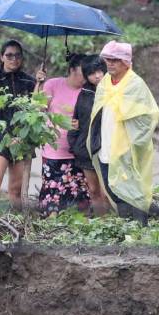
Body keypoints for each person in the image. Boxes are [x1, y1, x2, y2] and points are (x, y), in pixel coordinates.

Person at [88, 41, 159, 224]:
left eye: (115, 60)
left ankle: (140, 227)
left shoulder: (135, 85)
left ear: (126, 62)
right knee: (113, 189)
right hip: (106, 146)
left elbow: (148, 116)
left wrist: (133, 144)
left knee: (133, 189)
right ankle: (127, 226)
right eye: (108, 59)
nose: (110, 63)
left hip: (126, 148)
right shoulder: (105, 82)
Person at [0, 39, 37, 207]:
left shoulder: (29, 82)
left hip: (23, 138)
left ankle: (15, 223)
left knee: (16, 188)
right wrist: (6, 137)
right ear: (1, 57)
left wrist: (40, 84)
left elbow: (36, 109)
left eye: (18, 55)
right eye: (9, 55)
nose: (14, 59)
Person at [37, 53, 91, 215]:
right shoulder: (53, 84)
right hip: (54, 150)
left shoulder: (89, 90)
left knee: (78, 195)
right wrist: (38, 83)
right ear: (71, 70)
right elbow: (38, 109)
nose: (86, 77)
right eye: (83, 73)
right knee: (53, 194)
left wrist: (82, 124)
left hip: (78, 150)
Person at [66, 55, 108, 214]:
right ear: (86, 76)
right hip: (85, 149)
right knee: (94, 190)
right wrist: (74, 144)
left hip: (106, 149)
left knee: (108, 191)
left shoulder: (112, 92)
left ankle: (113, 224)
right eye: (91, 73)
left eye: (99, 71)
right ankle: (101, 223)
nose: (97, 76)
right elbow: (75, 121)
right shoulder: (84, 94)